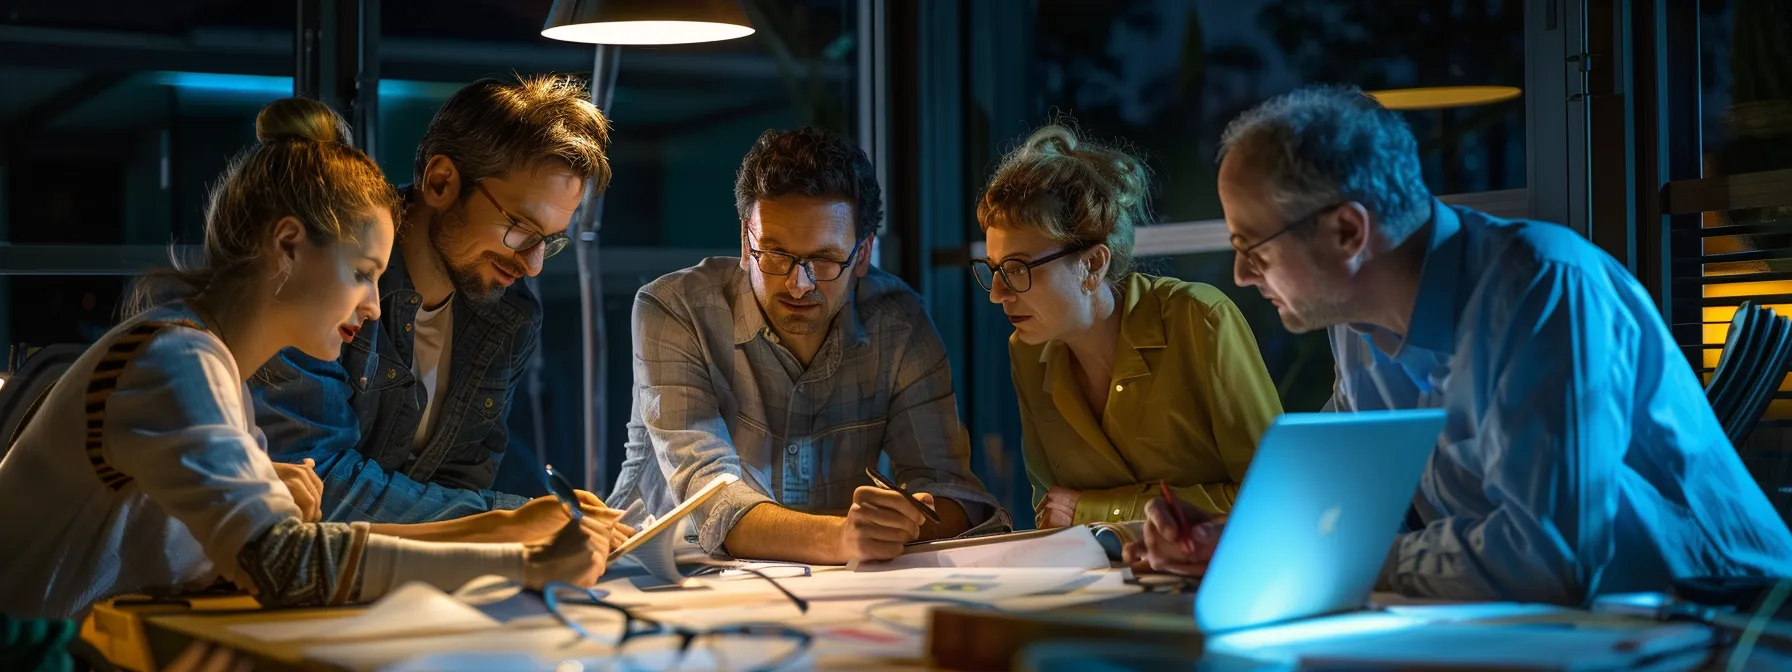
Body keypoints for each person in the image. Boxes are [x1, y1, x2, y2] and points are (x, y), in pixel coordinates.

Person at [1127, 85, 1792, 604]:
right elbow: (1341, 490)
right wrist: (1228, 537)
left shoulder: (1543, 290)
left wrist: (1337, 555)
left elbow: (1548, 558)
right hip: (1580, 625)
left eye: (1251, 247)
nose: (1242, 275)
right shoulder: (1352, 318)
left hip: (1726, 625)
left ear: (1346, 233)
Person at [0, 99, 618, 620]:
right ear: (289, 247)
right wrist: (524, 558)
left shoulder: (210, 367)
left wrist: (504, 529)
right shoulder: (175, 360)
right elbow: (286, 564)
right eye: (363, 274)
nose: (376, 307)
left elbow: (279, 549)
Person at [606, 127, 1009, 564]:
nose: (800, 284)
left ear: (861, 254)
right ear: (746, 242)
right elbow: (714, 502)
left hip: (826, 585)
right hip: (660, 578)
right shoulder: (674, 309)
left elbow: (953, 491)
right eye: (776, 255)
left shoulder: (899, 322)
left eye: (825, 259)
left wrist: (908, 519)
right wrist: (843, 538)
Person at [251, 75, 614, 525]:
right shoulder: (328, 277)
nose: (533, 265)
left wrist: (514, 533)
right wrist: (509, 522)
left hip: (401, 580)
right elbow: (316, 482)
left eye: (551, 242)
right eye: (520, 227)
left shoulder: (510, 316)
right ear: (441, 182)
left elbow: (459, 486)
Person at [973, 124, 1280, 529]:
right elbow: (1052, 514)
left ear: (1093, 264)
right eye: (994, 269)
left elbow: (1275, 497)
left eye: (1017, 269)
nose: (997, 293)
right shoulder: (1028, 349)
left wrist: (1099, 509)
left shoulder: (1200, 319)